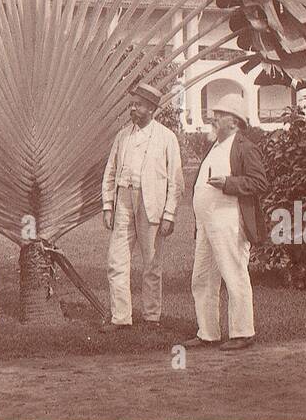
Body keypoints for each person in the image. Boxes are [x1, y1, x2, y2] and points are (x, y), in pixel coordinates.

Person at [184, 95, 267, 352]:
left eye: (219, 115)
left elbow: (260, 183)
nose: (213, 118)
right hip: (209, 225)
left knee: (234, 274)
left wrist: (228, 184)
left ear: (233, 121)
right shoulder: (216, 147)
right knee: (202, 277)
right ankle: (207, 332)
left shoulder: (243, 147)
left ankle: (243, 332)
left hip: (230, 221)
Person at [100, 81, 183, 332]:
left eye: (138, 105)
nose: (133, 110)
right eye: (132, 105)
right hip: (124, 199)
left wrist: (169, 214)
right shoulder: (123, 136)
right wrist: (108, 205)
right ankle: (121, 317)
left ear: (151, 109)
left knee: (152, 263)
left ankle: (151, 316)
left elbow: (176, 181)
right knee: (117, 260)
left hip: (152, 204)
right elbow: (111, 172)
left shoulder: (166, 138)